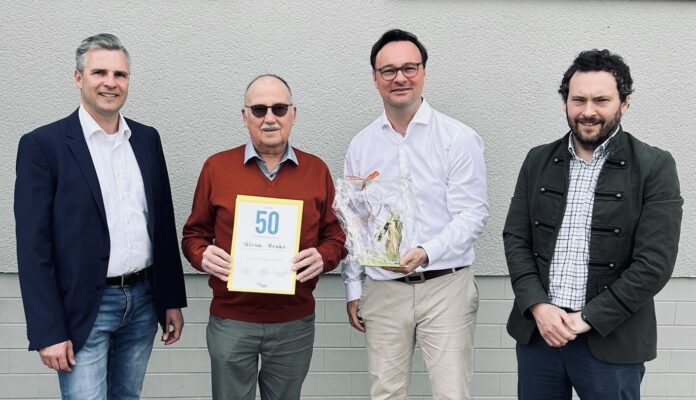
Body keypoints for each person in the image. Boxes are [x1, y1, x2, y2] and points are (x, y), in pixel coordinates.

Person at [14, 33, 187, 399]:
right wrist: (48, 331)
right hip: (84, 308)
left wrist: (170, 299)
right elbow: (33, 247)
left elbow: (161, 224)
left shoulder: (146, 139)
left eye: (120, 75)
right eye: (100, 73)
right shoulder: (43, 146)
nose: (111, 83)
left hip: (142, 303)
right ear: (79, 78)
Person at [504, 49, 683, 399]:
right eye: (578, 99)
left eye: (601, 99)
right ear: (565, 103)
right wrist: (539, 306)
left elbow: (654, 263)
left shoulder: (654, 166)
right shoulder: (538, 159)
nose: (588, 111)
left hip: (610, 339)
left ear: (624, 104)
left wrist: (587, 318)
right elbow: (516, 238)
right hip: (539, 335)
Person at [342, 29, 489, 400]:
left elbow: (472, 215)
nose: (400, 78)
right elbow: (355, 222)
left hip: (445, 286)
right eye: (388, 70)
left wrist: (426, 250)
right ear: (375, 78)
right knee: (386, 394)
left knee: (451, 393)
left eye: (409, 67)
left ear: (423, 71)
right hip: (383, 289)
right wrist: (354, 288)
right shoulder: (361, 145)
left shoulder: (458, 138)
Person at [181, 74, 346, 400]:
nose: (270, 118)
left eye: (279, 108)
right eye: (259, 110)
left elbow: (335, 236)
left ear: (293, 114)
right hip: (232, 320)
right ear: (245, 117)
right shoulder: (217, 167)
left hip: (293, 321)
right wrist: (202, 256)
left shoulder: (316, 170)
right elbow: (194, 234)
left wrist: (323, 257)